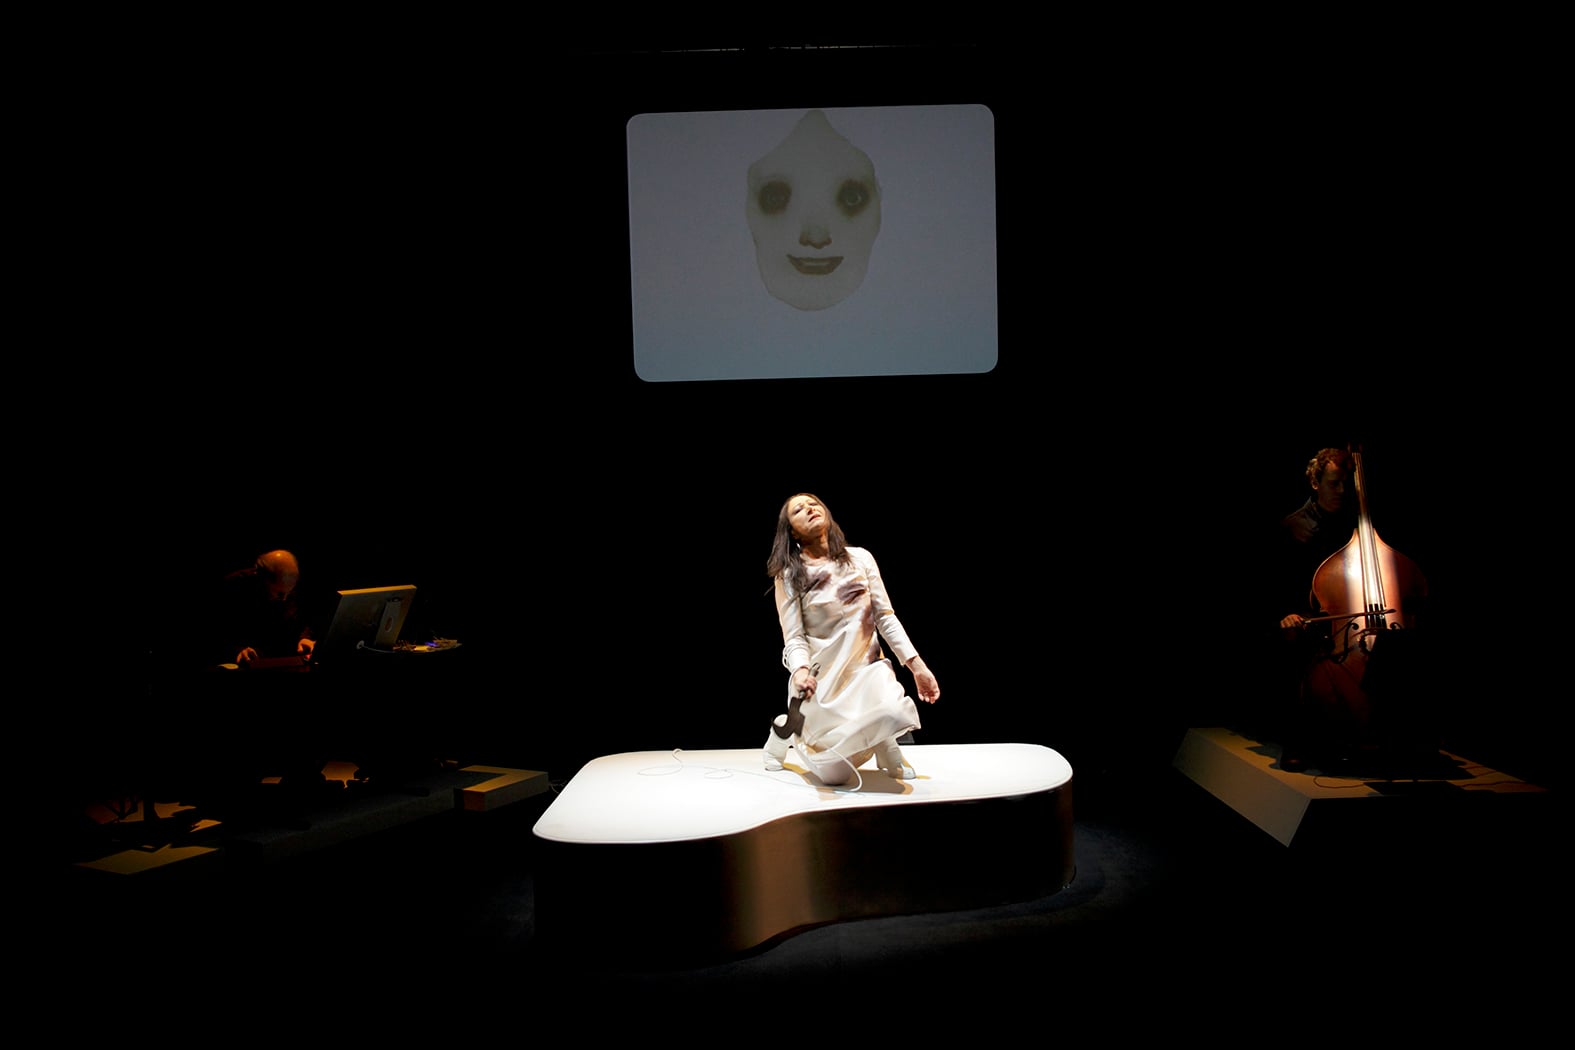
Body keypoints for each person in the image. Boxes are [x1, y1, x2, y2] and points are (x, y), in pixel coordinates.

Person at [1271, 448, 1433, 772]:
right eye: (1334, 484)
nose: (1342, 491)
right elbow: (1274, 584)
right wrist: (1288, 613)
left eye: (1347, 484)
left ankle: (1407, 738)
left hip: (1355, 621)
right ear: (1315, 483)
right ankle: (1297, 740)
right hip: (1312, 619)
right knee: (1294, 645)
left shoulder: (1358, 521)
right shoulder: (1295, 527)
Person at [762, 493, 940, 785]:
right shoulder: (790, 573)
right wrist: (801, 671)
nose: (809, 509)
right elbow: (793, 636)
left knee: (894, 710)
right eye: (798, 510)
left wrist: (916, 665)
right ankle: (785, 730)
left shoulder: (861, 558)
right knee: (834, 777)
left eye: (813, 504)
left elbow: (885, 617)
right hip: (823, 680)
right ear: (792, 531)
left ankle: (885, 745)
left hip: (867, 671)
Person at [212, 549, 316, 667]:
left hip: (280, 659)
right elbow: (217, 634)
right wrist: (237, 650)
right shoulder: (233, 588)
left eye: (290, 591)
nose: (284, 599)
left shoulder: (286, 586)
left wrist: (304, 638)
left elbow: (300, 619)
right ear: (260, 578)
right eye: (279, 594)